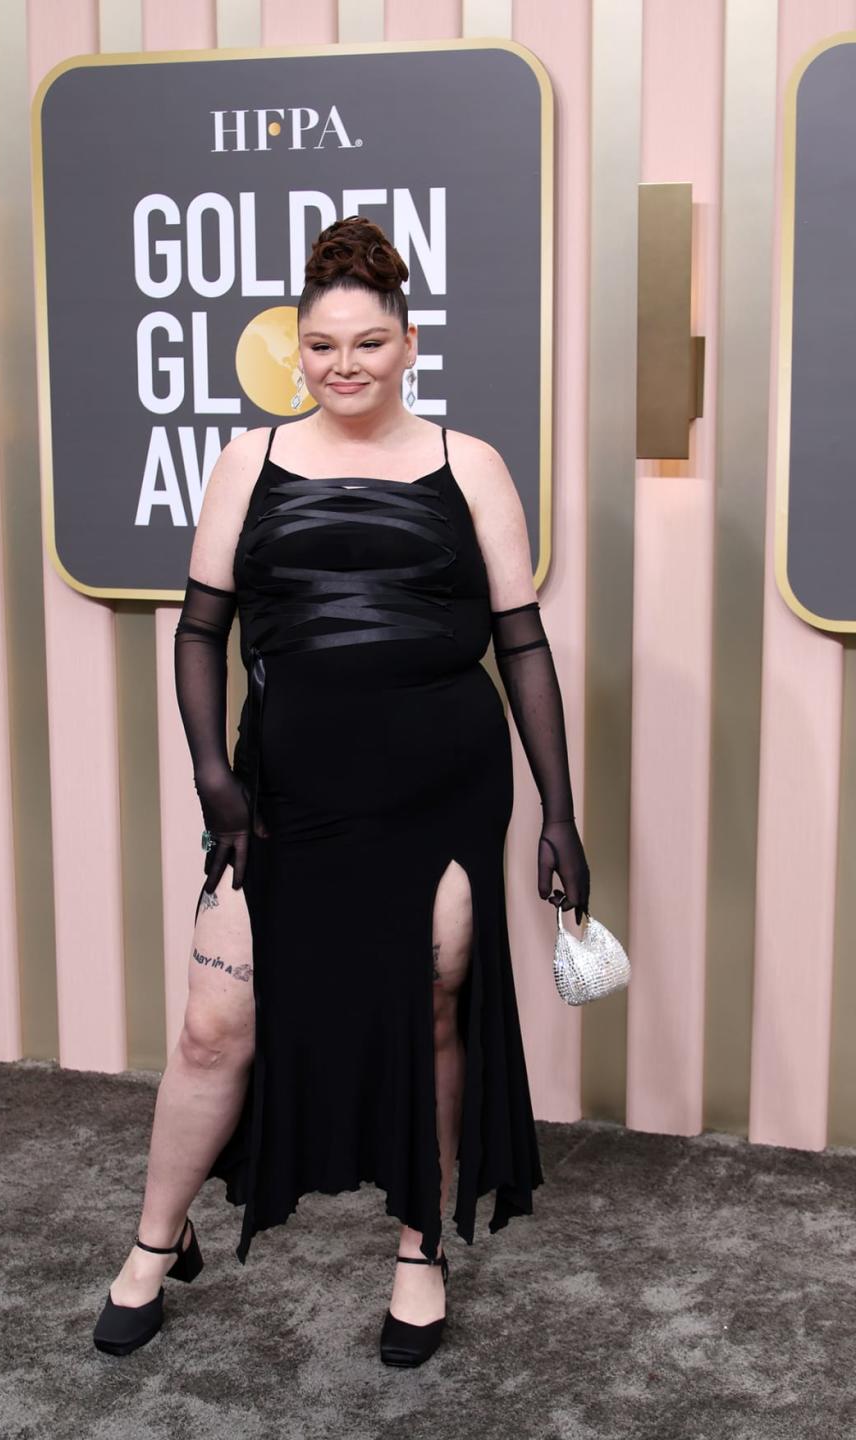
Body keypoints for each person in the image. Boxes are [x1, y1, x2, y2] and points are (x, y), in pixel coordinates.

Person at [93, 216, 590, 1365]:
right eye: (322, 345)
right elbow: (200, 631)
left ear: (410, 344)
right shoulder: (247, 462)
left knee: (429, 1011)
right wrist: (216, 777)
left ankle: (421, 1247)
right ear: (296, 349)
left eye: (368, 343)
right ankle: (154, 1244)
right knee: (217, 1028)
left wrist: (558, 812)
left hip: (442, 791)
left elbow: (520, 643)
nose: (345, 365)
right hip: (284, 793)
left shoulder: (471, 466)